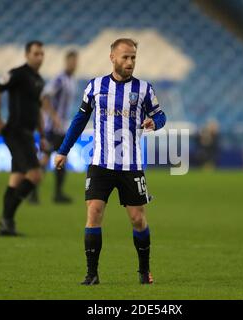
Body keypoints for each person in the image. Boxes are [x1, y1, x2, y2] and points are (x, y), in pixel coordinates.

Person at [54, 38, 167, 285]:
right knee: (93, 213)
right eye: (125, 57)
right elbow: (79, 120)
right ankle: (92, 274)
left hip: (131, 165)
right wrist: (63, 150)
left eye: (133, 57)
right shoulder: (95, 86)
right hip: (100, 163)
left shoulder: (144, 89)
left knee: (138, 219)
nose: (130, 62)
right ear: (112, 58)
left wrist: (153, 123)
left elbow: (160, 115)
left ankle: (143, 271)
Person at [0, 40, 46, 236]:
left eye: (41, 54)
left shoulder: (39, 80)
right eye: (36, 53)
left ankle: (7, 224)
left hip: (28, 134)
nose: (39, 57)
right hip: (16, 131)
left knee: (17, 178)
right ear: (27, 55)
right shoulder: (18, 74)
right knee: (35, 175)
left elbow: (37, 109)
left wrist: (42, 134)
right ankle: (6, 218)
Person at [29, 50, 79, 204]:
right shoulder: (59, 79)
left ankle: (58, 194)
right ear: (66, 61)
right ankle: (32, 193)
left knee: (62, 158)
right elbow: (43, 98)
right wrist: (53, 116)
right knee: (44, 159)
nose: (74, 64)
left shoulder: (72, 80)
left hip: (62, 128)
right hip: (51, 127)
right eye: (72, 61)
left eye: (76, 62)